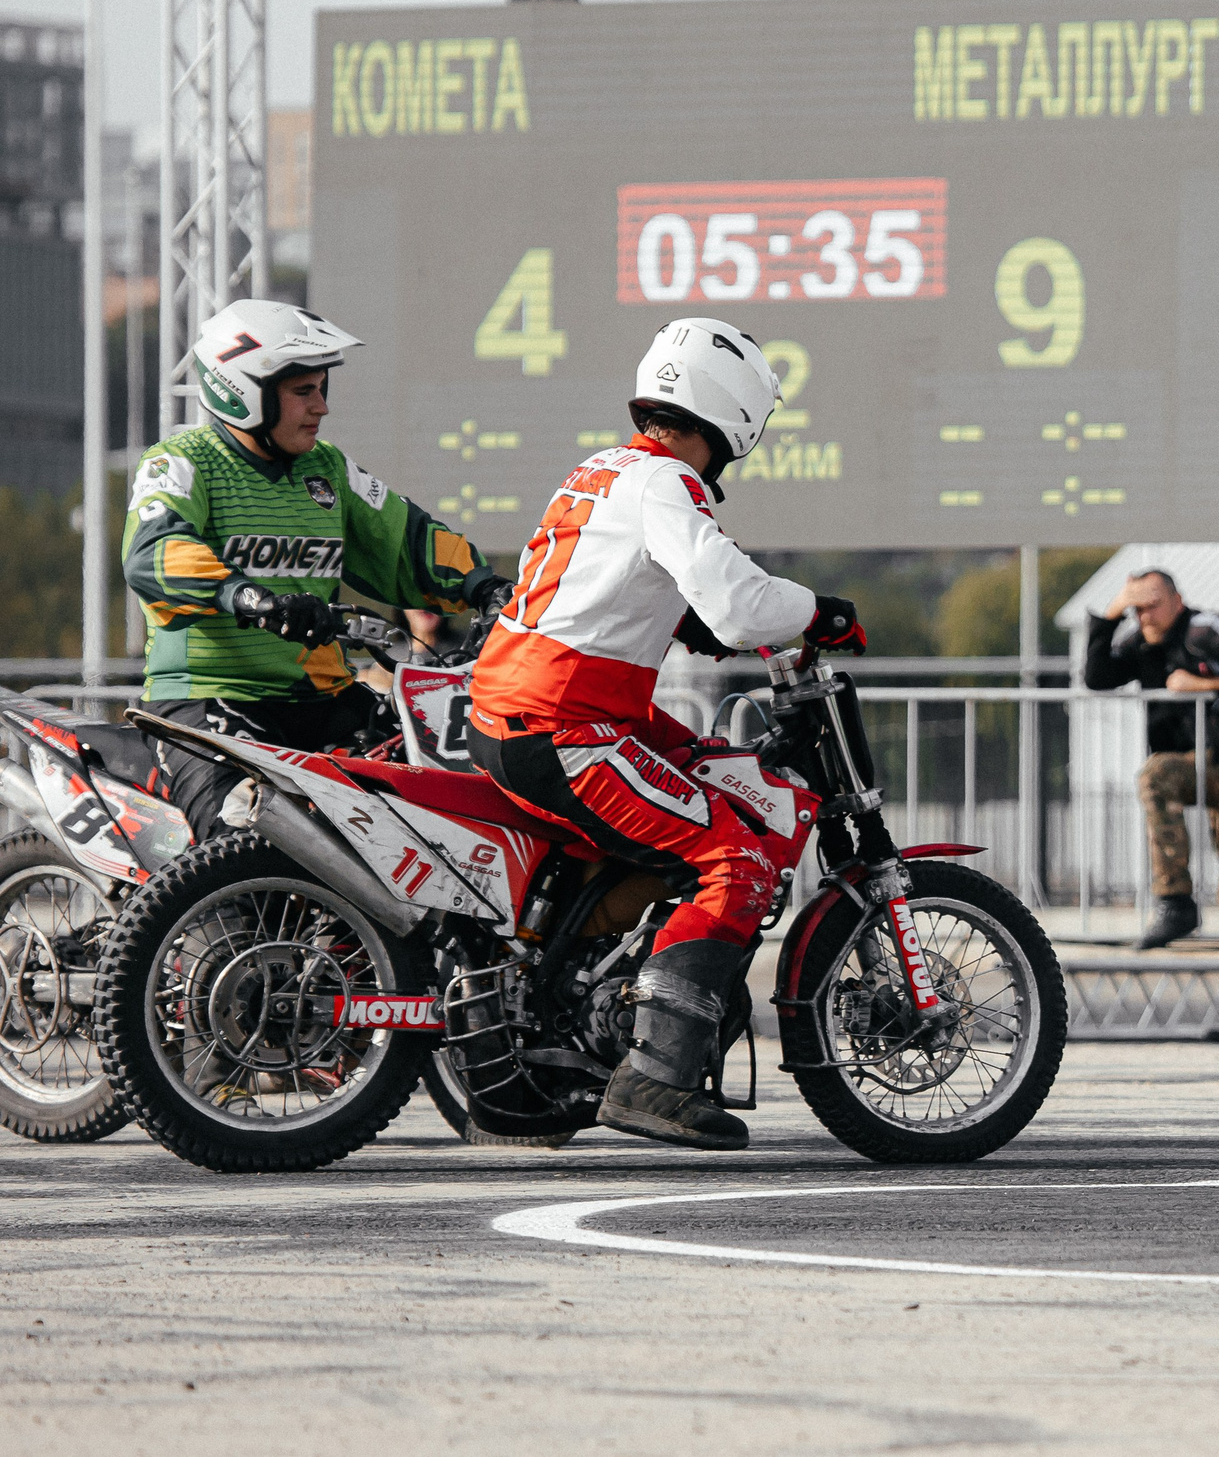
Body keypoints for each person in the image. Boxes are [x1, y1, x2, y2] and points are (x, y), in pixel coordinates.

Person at [467, 317, 870, 1149]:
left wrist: (703, 627)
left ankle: (581, 1013)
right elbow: (738, 602)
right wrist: (821, 612)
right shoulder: (667, 483)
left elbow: (627, 590)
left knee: (703, 767)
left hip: (524, 705)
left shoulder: (603, 469)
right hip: (566, 724)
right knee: (738, 855)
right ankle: (655, 1078)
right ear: (735, 413)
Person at [124, 299, 509, 835]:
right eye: (304, 391)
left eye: (322, 388)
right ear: (244, 391)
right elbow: (154, 551)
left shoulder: (326, 468)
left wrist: (488, 588)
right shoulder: (184, 461)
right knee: (246, 848)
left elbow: (407, 541)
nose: (321, 407)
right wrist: (253, 598)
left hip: (325, 700)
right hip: (206, 697)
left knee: (440, 815)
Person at [1082, 569, 1219, 1042]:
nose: (1144, 616)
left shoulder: (1205, 630)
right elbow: (1097, 677)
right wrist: (1111, 613)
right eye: (1136, 608)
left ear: (1177, 600)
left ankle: (1181, 908)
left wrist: (1204, 685)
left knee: (1161, 781)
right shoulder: (1140, 643)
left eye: (1152, 604)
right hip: (1205, 768)